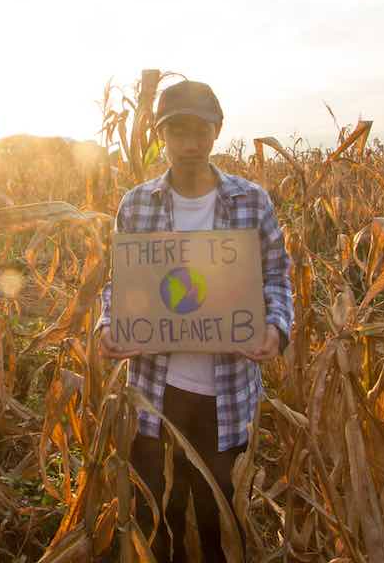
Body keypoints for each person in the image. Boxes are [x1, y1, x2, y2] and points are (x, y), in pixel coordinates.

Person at [96, 80, 294, 563]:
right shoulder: (137, 204)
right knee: (157, 516)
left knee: (219, 519)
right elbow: (119, 281)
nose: (189, 143)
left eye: (200, 131)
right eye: (177, 131)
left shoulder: (251, 201)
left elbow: (276, 277)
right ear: (161, 135)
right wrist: (108, 324)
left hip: (226, 394)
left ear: (217, 132)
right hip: (154, 392)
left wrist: (275, 328)